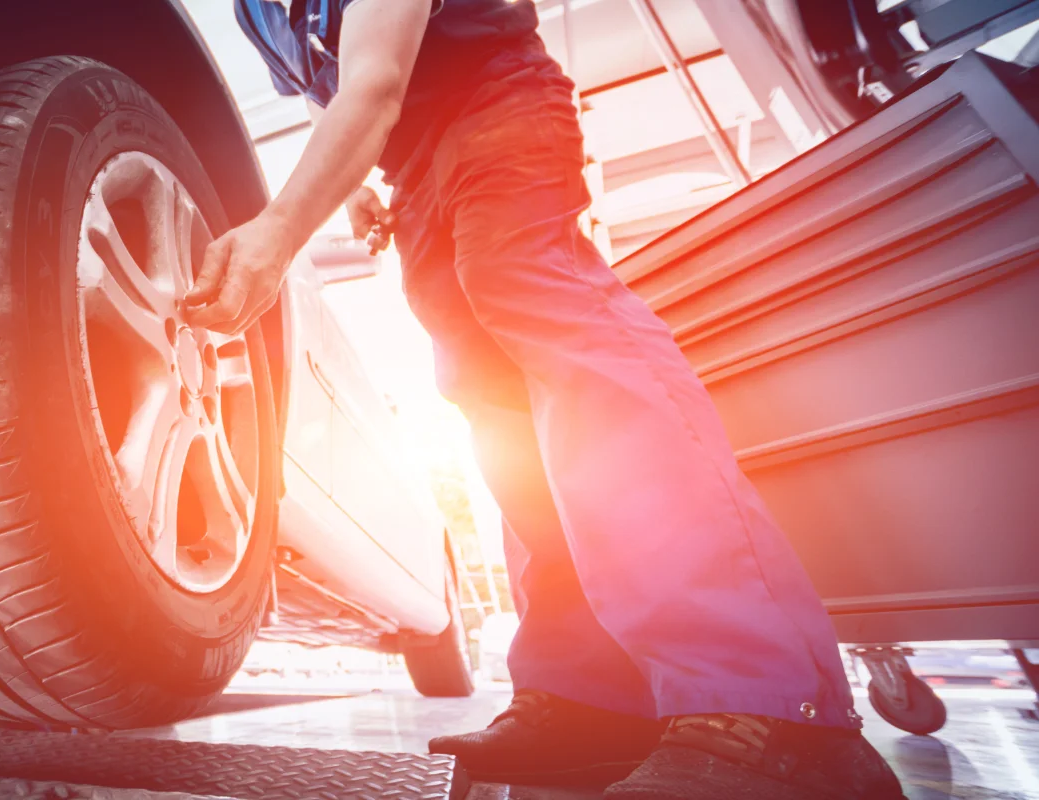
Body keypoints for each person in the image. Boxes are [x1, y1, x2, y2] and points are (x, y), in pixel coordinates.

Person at [187, 1, 904, 797]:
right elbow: (337, 85)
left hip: (497, 106)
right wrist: (356, 181)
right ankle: (592, 697)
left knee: (563, 342)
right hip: (412, 167)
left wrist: (280, 231)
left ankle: (765, 700)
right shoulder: (254, 11)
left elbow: (377, 77)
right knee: (494, 406)